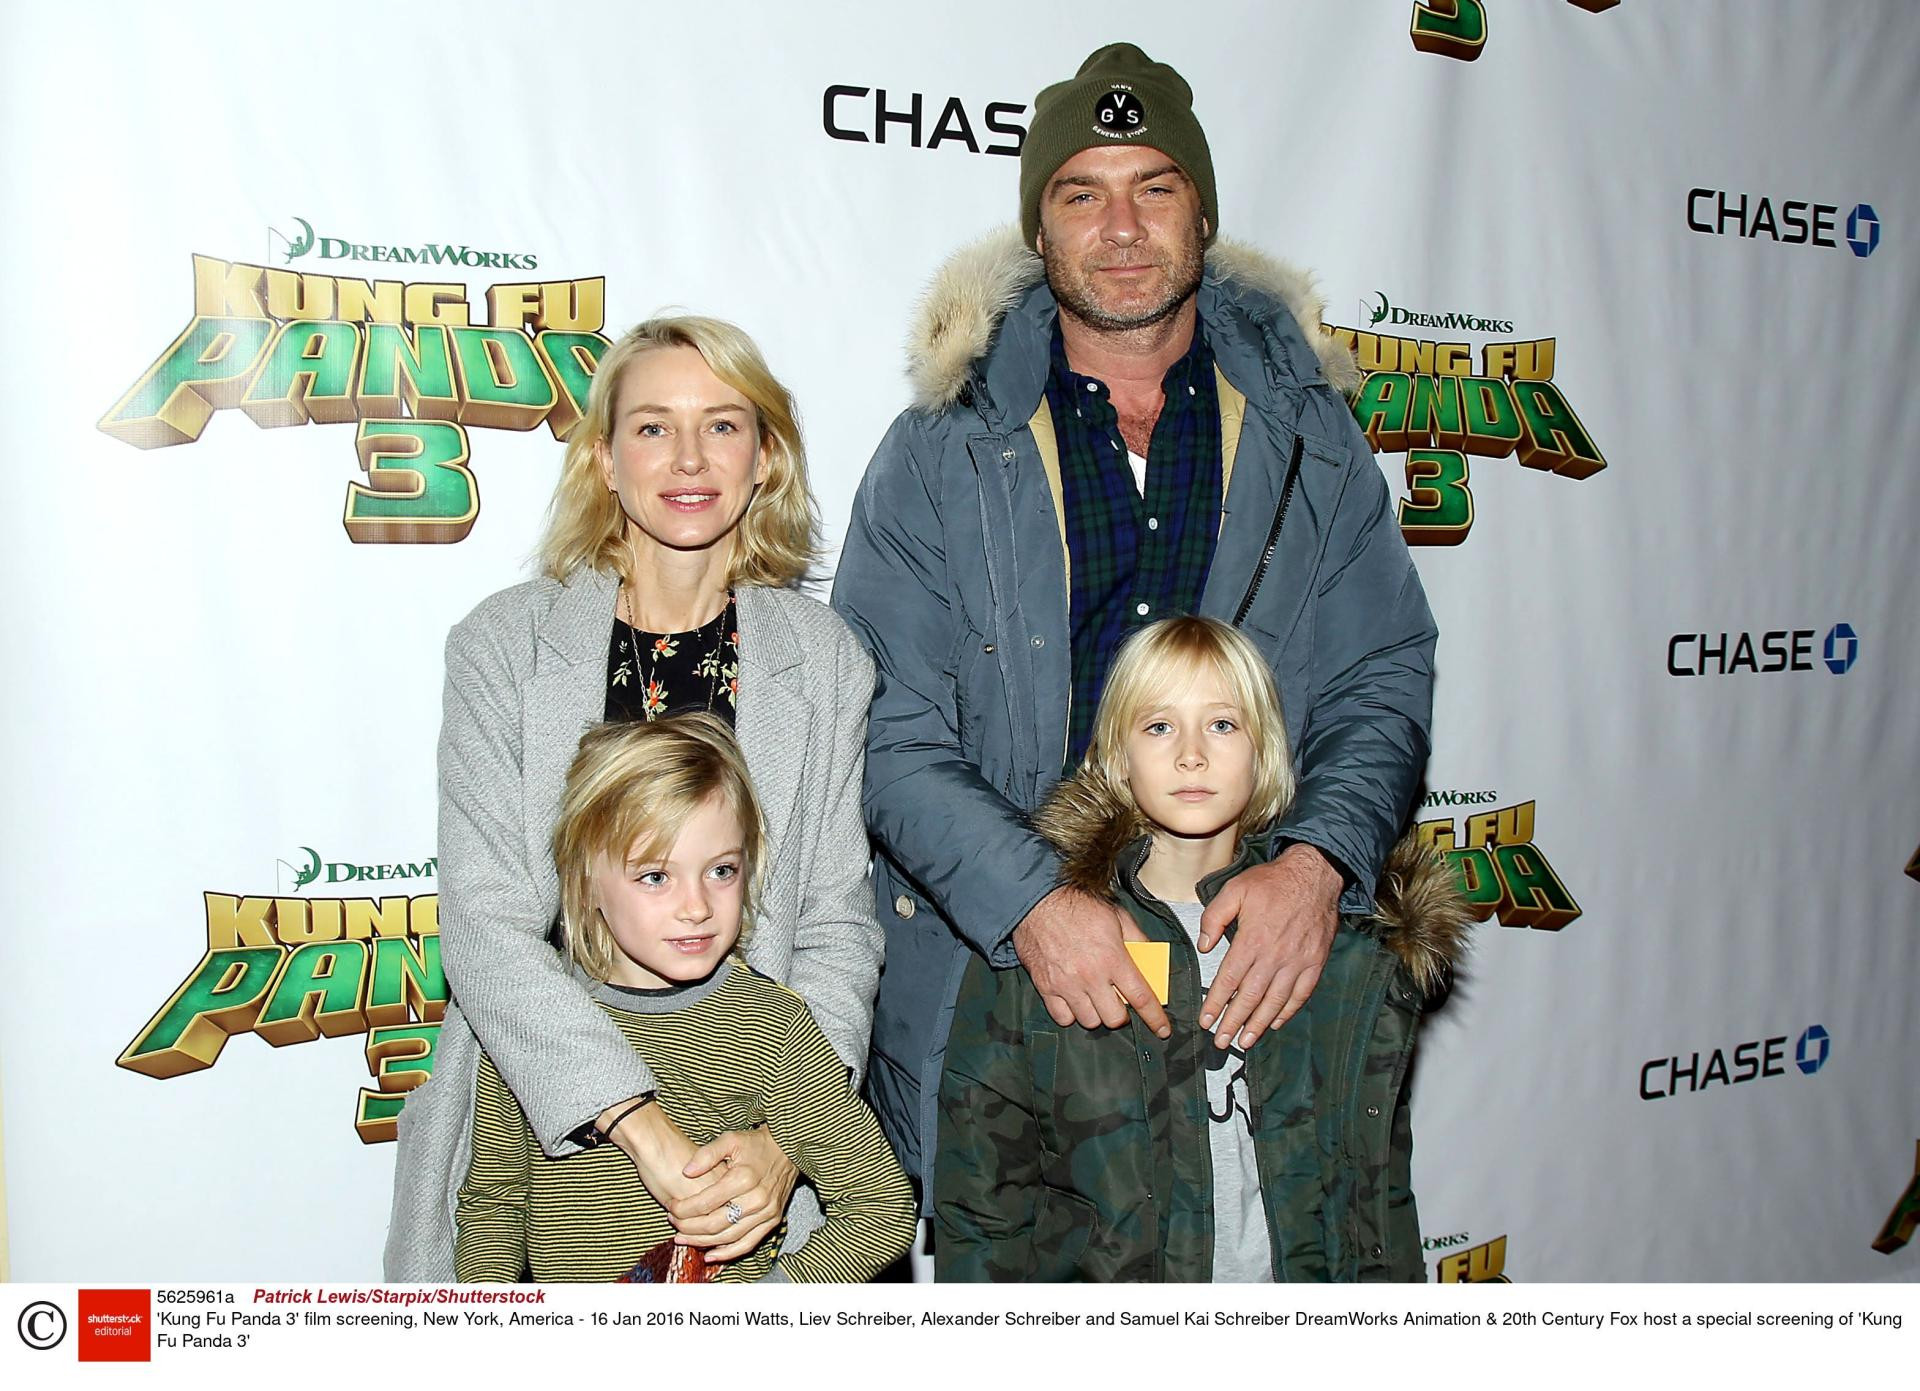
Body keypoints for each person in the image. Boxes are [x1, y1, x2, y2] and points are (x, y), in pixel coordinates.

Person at [831, 42, 1439, 1196]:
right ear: (1039, 229)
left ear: (1202, 217)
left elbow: (1382, 673)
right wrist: (1032, 902)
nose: (1120, 227)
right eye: (1081, 194)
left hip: (1250, 990)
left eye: (1154, 187)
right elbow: (884, 722)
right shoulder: (941, 451)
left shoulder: (1313, 438)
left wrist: (1318, 865)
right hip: (1008, 992)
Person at [387, 316, 883, 1280]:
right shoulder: (504, 648)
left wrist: (786, 1139)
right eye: (654, 427)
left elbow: (833, 927)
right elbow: (485, 924)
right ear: (605, 459)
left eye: (723, 425)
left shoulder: (824, 661)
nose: (689, 457)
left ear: (765, 457)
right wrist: (643, 1129)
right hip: (538, 1129)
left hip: (746, 1154)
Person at [933, 618, 1466, 1282]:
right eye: (1159, 726)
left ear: (1264, 751)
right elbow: (982, 1200)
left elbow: (1378, 1195)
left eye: (1222, 724)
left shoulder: (1345, 949)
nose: (1192, 754)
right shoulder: (1049, 940)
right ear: (1116, 757)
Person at [457, 716, 916, 1282]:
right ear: (586, 878)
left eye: (721, 871)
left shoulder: (774, 1022)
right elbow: (494, 1207)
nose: (696, 907)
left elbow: (881, 1209)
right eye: (656, 877)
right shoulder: (538, 1019)